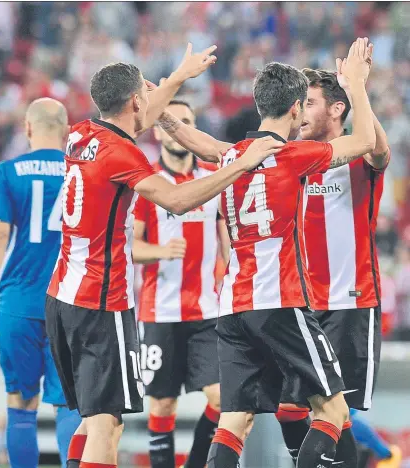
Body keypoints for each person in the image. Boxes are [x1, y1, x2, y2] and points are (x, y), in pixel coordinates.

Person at [44, 44, 284, 468]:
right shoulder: (124, 155)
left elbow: (137, 118)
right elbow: (174, 200)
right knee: (106, 424)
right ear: (136, 101)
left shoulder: (81, 134)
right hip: (101, 302)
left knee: (90, 417)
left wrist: (176, 78)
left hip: (62, 294)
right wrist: (239, 165)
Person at [157, 37, 375, 468]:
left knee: (233, 422)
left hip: (231, 306)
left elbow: (195, 140)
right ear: (296, 109)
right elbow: (365, 140)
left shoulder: (233, 156)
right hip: (279, 300)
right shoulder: (295, 155)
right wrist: (356, 85)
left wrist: (160, 105)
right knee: (333, 410)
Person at [274, 55, 401, 468]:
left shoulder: (360, 159)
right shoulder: (294, 158)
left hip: (350, 302)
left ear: (336, 108)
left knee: (337, 411)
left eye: (309, 102)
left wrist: (356, 86)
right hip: (304, 306)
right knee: (290, 409)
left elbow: (379, 152)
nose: (301, 110)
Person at [133, 99, 230, 468]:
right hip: (160, 312)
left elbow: (227, 242)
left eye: (186, 121)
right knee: (162, 404)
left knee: (223, 399)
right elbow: (130, 247)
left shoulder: (212, 179)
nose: (177, 127)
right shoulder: (146, 182)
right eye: (169, 121)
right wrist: (160, 250)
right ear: (157, 131)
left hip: (207, 310)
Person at [0, 98, 82, 468]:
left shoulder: (7, 172)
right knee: (68, 401)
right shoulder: (80, 171)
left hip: (18, 302)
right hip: (69, 301)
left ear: (27, 128)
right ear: (67, 129)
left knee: (20, 403)